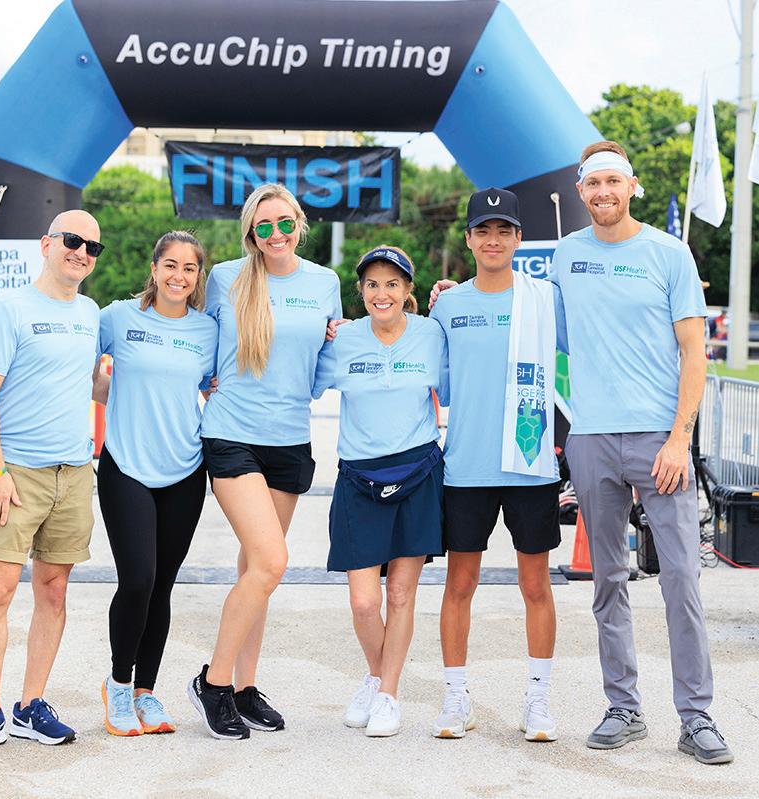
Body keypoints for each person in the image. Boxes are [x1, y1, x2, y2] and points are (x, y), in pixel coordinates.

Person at [549, 141, 733, 765]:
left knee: (680, 580)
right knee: (607, 581)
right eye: (592, 183)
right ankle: (623, 707)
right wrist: (455, 294)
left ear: (631, 187)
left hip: (660, 442)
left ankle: (697, 717)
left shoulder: (668, 252)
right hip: (592, 439)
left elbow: (694, 353)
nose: (602, 192)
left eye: (613, 181)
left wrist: (680, 438)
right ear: (581, 191)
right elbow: (542, 329)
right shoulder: (567, 256)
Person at [188, 183, 342, 739]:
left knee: (257, 569)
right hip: (232, 433)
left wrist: (343, 339)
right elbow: (199, 342)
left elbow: (323, 366)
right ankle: (213, 682)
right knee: (272, 561)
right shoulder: (226, 278)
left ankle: (244, 688)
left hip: (290, 437)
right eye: (264, 226)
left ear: (299, 224)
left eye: (284, 223)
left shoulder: (325, 282)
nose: (275, 234)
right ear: (251, 233)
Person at [0, 211, 103, 753]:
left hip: (74, 473)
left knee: (54, 590)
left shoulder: (90, 312)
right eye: (72, 240)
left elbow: (90, 384)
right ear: (46, 244)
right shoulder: (11, 308)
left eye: (92, 246)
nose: (81, 252)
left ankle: (30, 706)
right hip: (15, 473)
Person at [427, 189, 562, 741]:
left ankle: (539, 701)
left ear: (519, 239)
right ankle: (455, 699)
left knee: (536, 585)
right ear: (468, 239)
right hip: (467, 466)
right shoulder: (448, 305)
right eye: (483, 230)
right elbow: (437, 383)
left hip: (530, 465)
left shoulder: (545, 299)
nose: (493, 240)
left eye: (504, 230)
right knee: (460, 584)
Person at [314, 246, 448, 737]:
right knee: (364, 603)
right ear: (362, 291)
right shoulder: (344, 340)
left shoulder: (432, 334)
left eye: (392, 283)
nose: (382, 293)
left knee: (401, 593)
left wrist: (453, 297)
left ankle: (388, 695)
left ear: (408, 290)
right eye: (372, 284)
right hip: (359, 479)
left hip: (418, 474)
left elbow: (457, 382)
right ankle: (376, 678)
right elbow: (303, 382)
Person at [94, 231, 218, 736]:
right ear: (154, 268)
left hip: (185, 470)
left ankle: (146, 691)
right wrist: (110, 393)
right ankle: (119, 685)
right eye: (170, 265)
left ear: (198, 276)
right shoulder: (118, 317)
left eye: (189, 268)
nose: (178, 276)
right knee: (138, 580)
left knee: (162, 585)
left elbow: (216, 386)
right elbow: (74, 362)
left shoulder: (208, 330)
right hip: (126, 466)